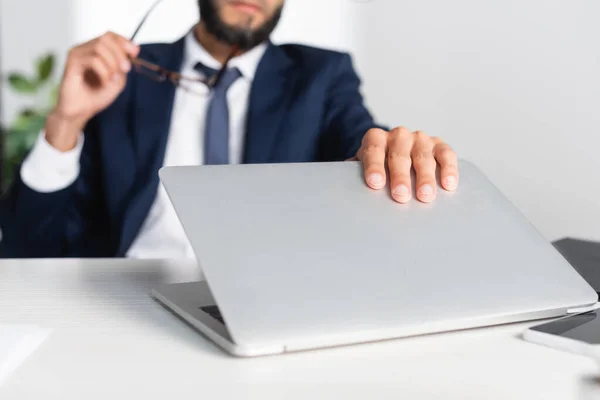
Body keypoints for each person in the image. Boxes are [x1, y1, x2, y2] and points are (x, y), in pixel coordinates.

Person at [0, 0, 459, 259]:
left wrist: (389, 150)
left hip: (274, 299)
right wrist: (66, 122)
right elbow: (28, 246)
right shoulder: (124, 75)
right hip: (127, 293)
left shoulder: (321, 75)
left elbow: (360, 142)